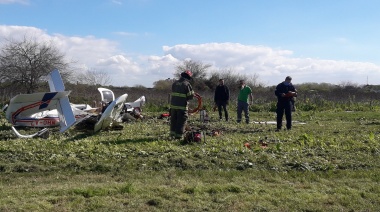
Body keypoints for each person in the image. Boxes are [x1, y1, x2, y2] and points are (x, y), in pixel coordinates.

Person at [169, 70, 194, 139]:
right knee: (181, 121)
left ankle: (172, 134)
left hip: (173, 106)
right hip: (181, 107)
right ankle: (178, 137)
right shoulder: (187, 84)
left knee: (174, 120)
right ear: (188, 77)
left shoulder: (175, 83)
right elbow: (190, 96)